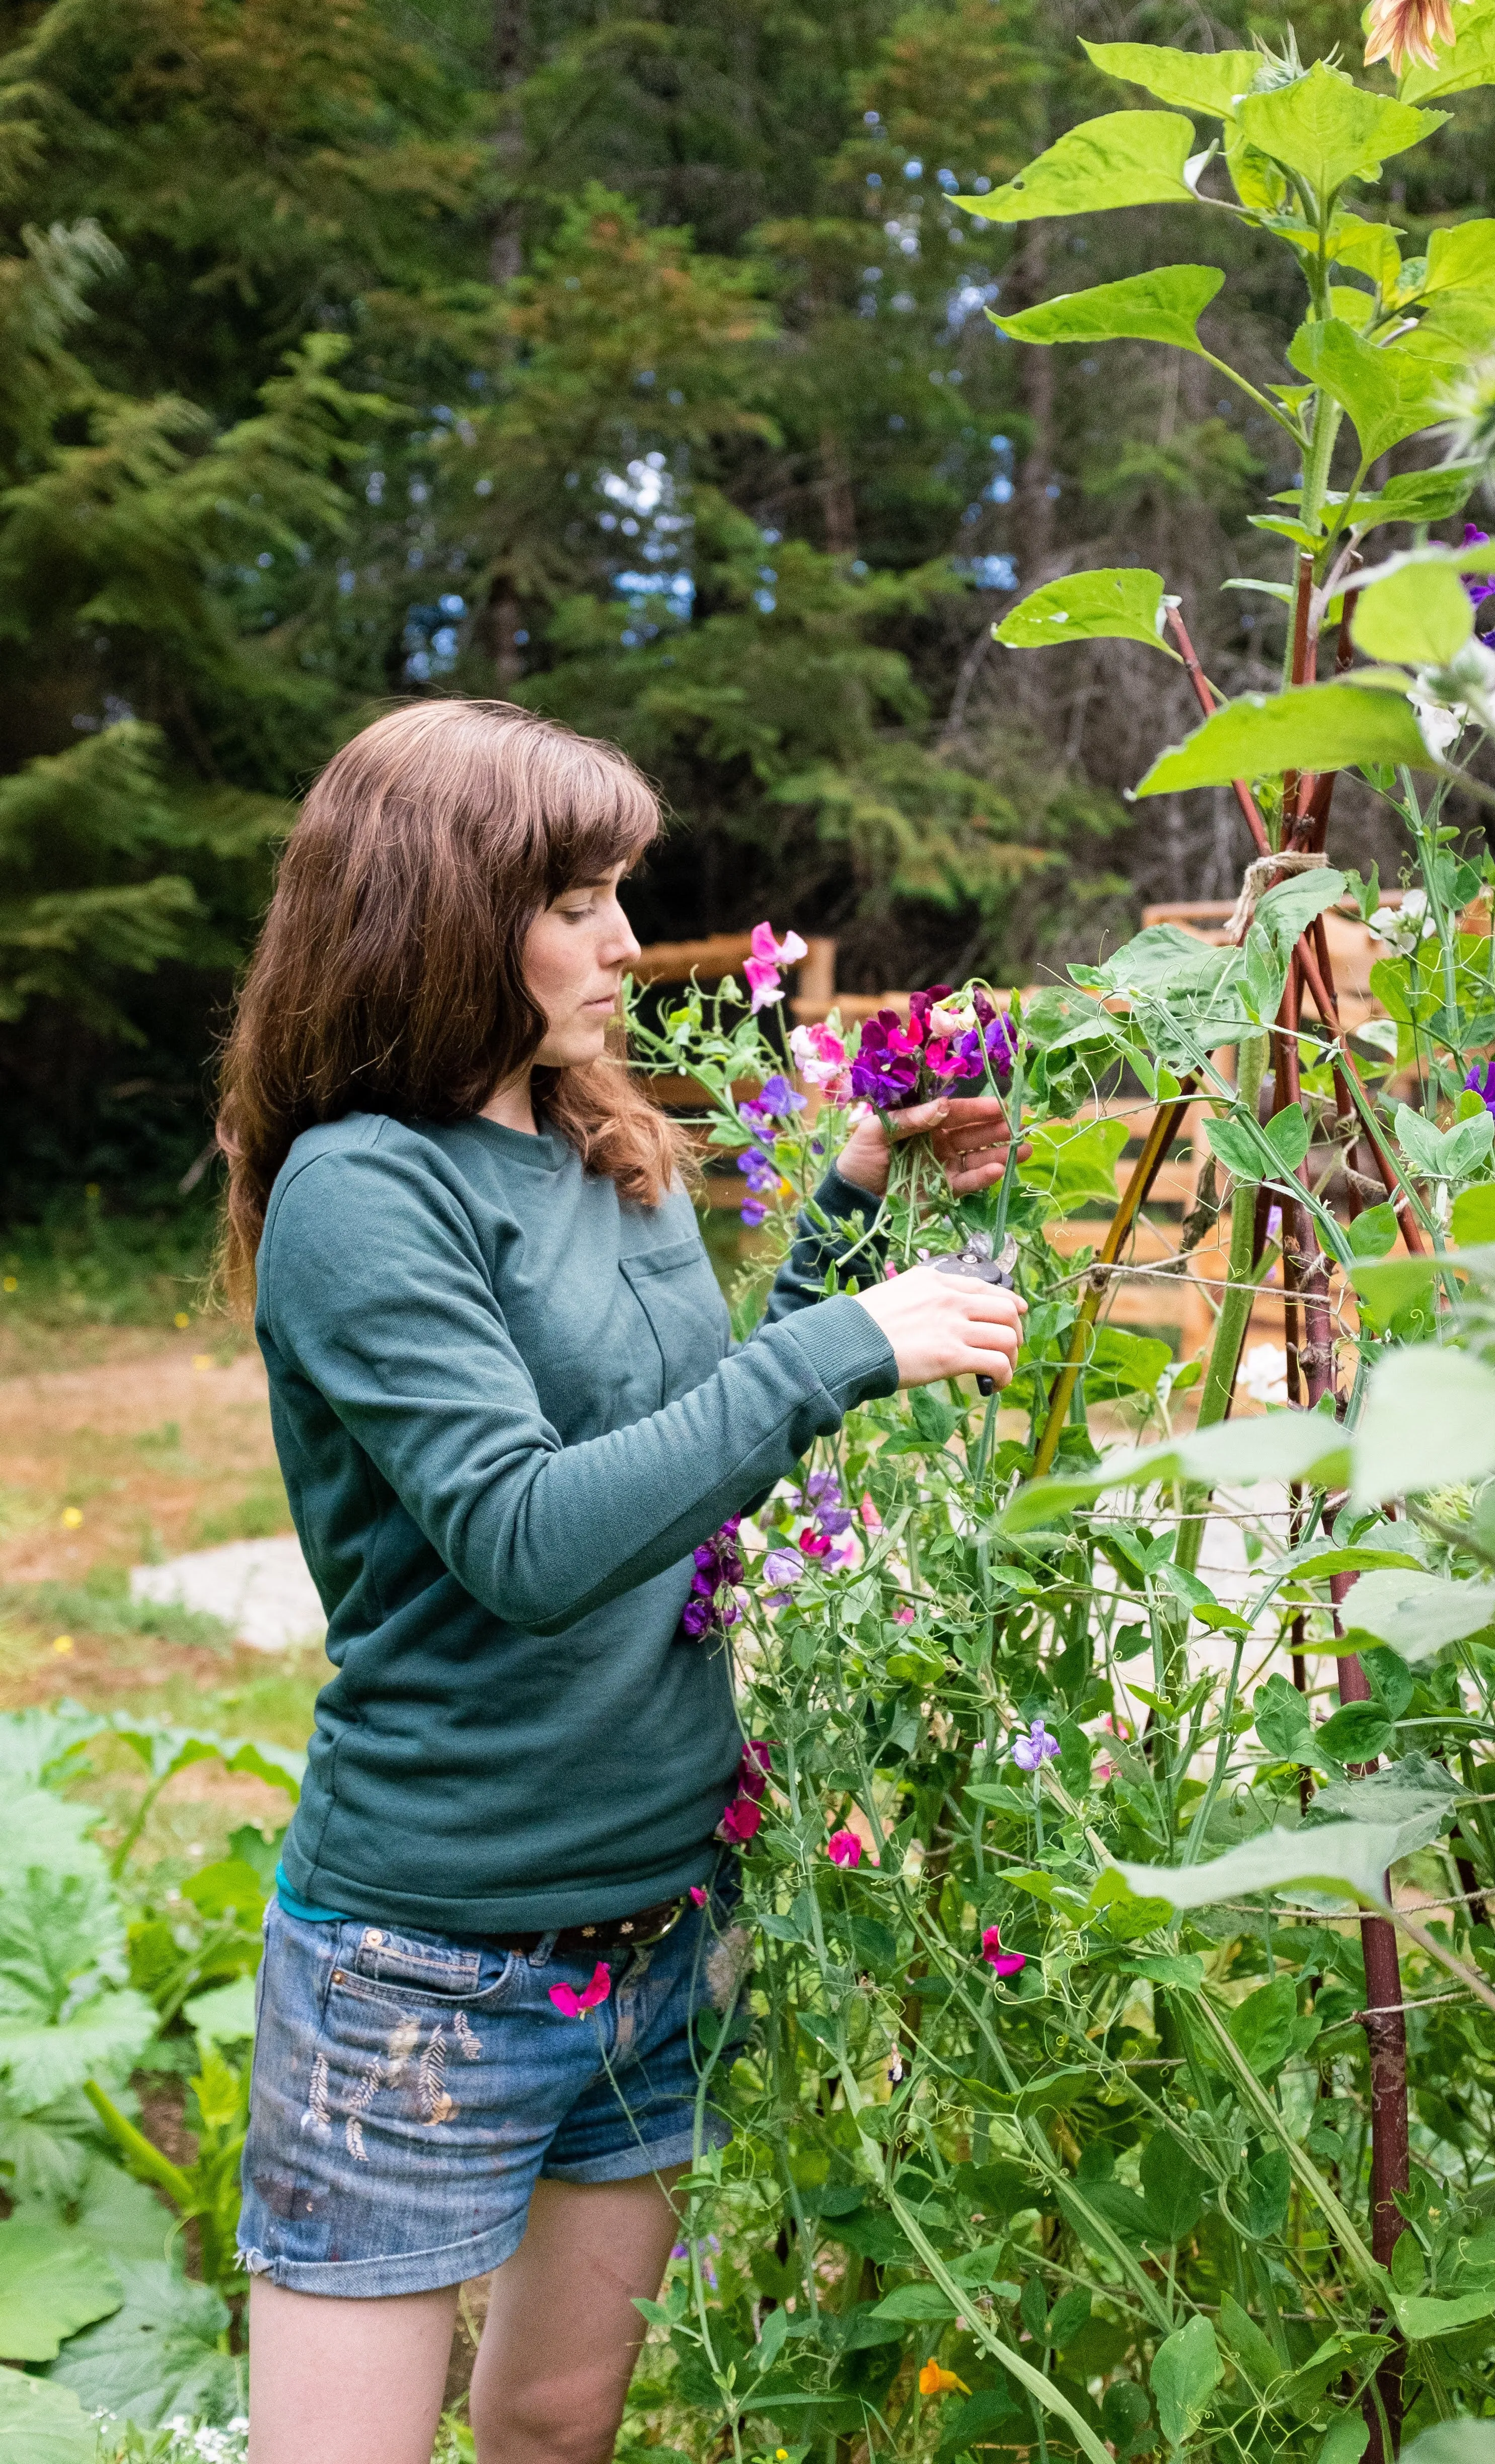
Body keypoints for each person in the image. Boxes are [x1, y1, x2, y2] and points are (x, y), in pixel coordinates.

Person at [215, 700, 1025, 2464]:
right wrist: (847, 1351)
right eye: (571, 900)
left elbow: (675, 1448)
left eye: (614, 893)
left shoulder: (600, 1136)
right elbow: (529, 1537)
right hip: (425, 1962)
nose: (619, 940)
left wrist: (856, 1214)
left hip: (660, 1924)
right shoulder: (368, 1190)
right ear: (437, 915)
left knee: (565, 2421)